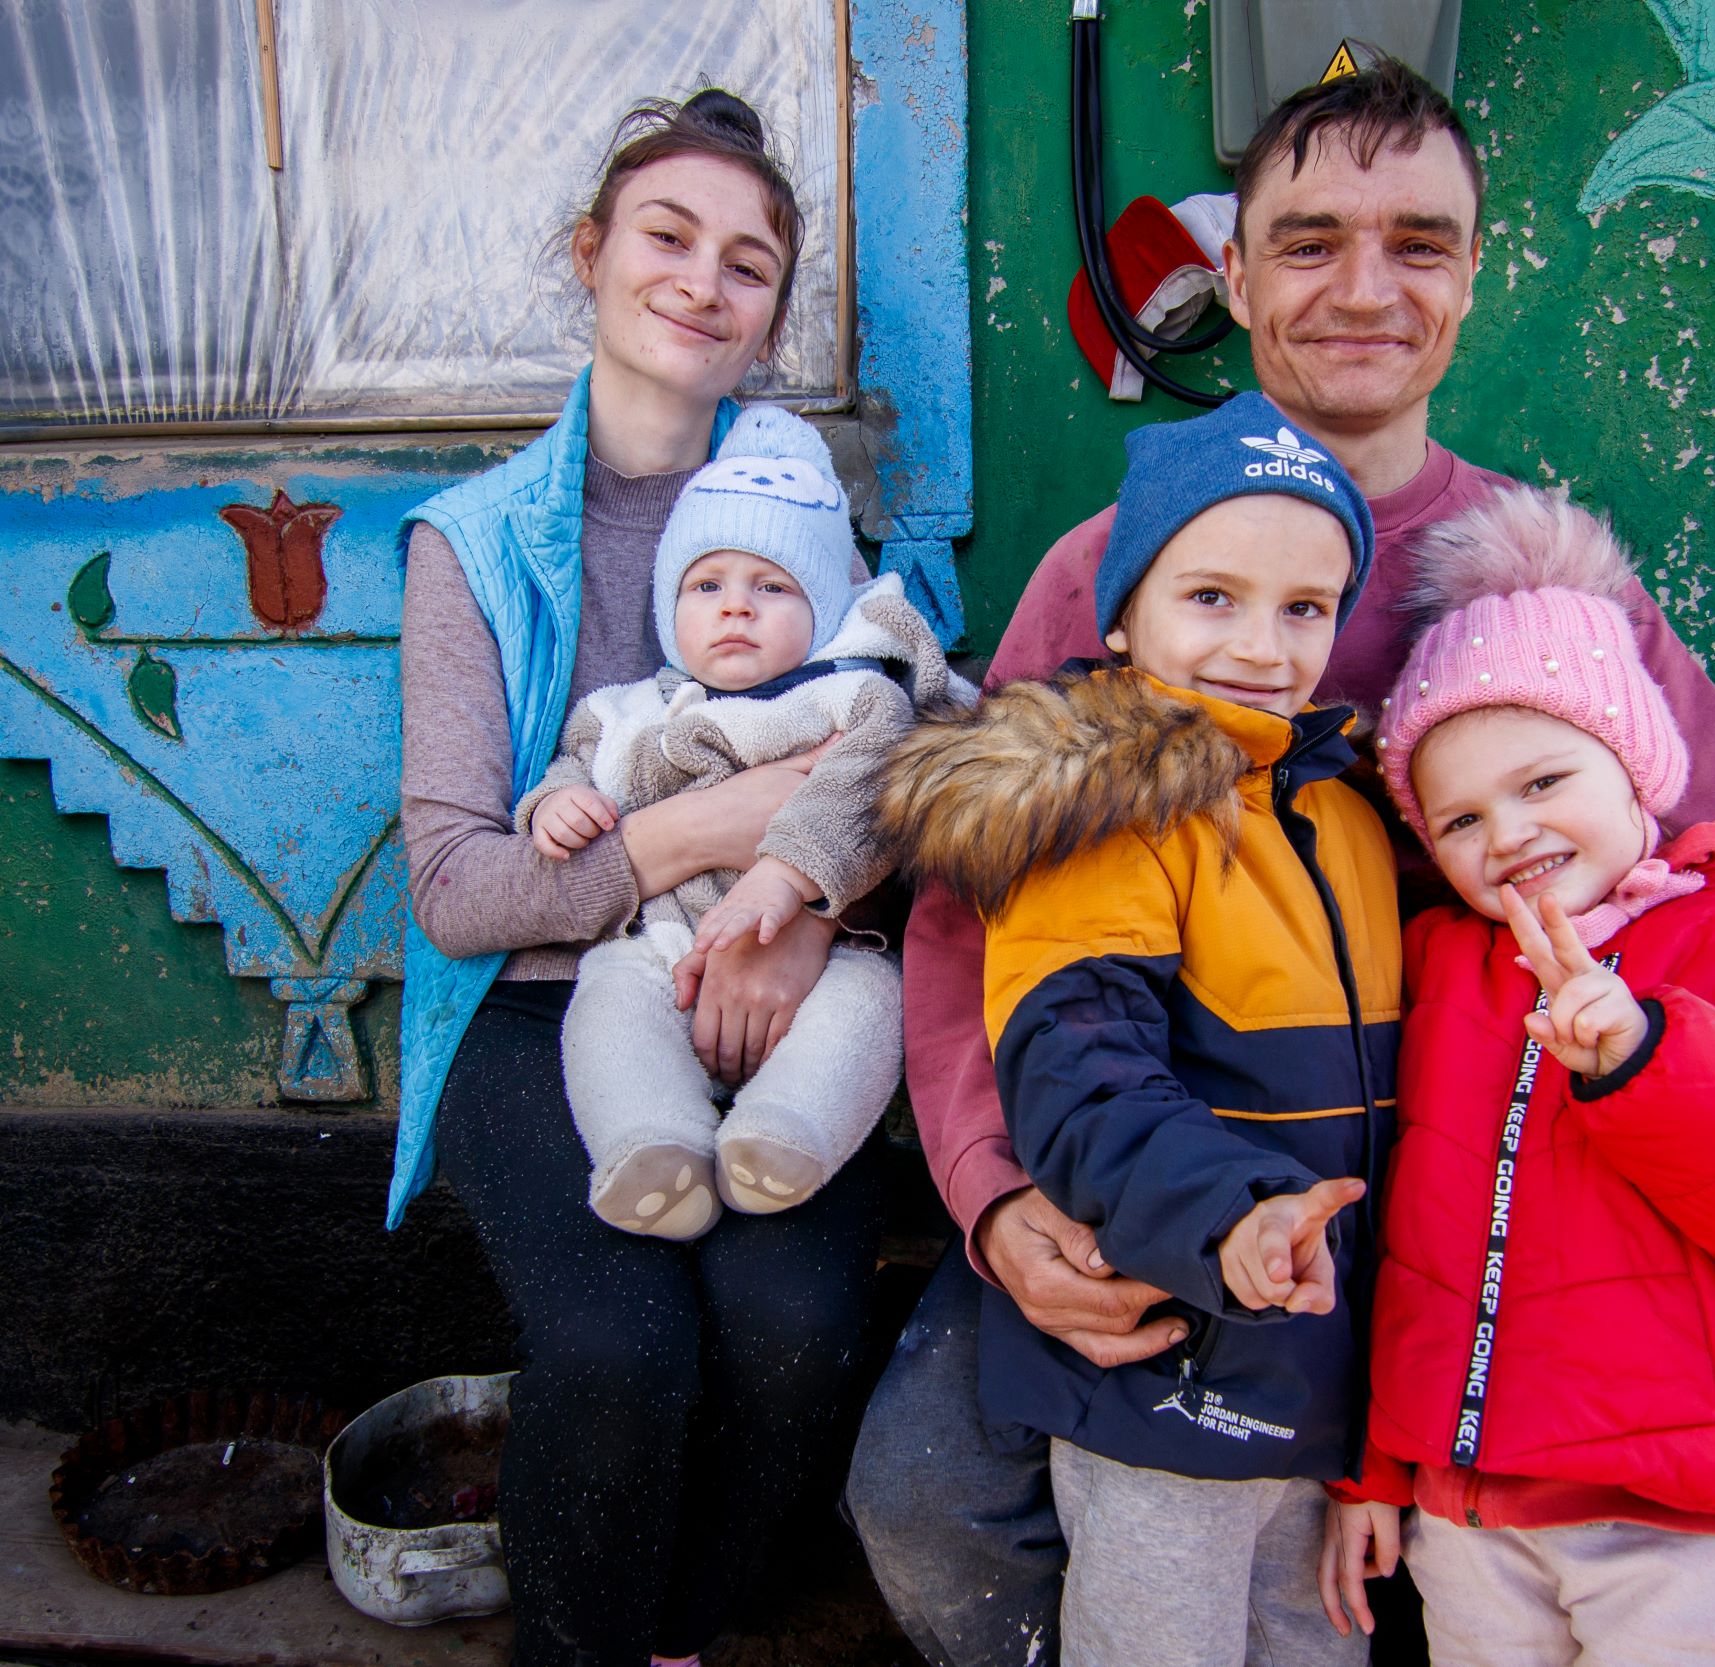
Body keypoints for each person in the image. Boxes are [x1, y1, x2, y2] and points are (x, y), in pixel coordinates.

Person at [847, 59, 1715, 1667]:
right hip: (1142, 1133)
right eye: (1310, 239)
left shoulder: (1533, 576)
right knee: (928, 1494)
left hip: (1472, 1165)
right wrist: (996, 1194)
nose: (1365, 286)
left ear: (1474, 276)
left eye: (1419, 240)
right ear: (1238, 274)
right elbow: (964, 909)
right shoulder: (1119, 565)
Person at [395, 91, 882, 1665]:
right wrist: (698, 830)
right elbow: (461, 889)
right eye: (667, 237)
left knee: (798, 1326)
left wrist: (801, 915)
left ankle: (700, 1623)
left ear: (771, 318)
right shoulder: (472, 546)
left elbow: (913, 776)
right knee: (618, 1343)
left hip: (785, 982)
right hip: (544, 1008)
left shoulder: (815, 509)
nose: (702, 281)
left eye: (749, 262)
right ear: (593, 255)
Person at [1318, 485, 1715, 1666]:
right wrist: (1380, 1464)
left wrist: (1653, 1062)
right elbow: (1413, 1245)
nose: (1504, 834)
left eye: (1543, 781)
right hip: (1475, 1512)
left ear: (1634, 768)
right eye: (1456, 819)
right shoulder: (1441, 970)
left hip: (1705, 1513)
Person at [878, 391, 1391, 1667]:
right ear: (1120, 619)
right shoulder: (1104, 817)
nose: (1262, 646)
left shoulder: (1349, 822)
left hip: (1319, 1371)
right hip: (1168, 1369)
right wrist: (1232, 1214)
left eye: (1304, 607)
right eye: (1210, 597)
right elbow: (1074, 1076)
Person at [517, 404, 970, 1238]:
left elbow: (873, 783)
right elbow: (579, 764)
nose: (736, 608)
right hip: (668, 946)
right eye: (706, 586)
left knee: (869, 1003)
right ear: (669, 608)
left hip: (820, 948)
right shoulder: (633, 710)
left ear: (826, 607)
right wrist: (554, 804)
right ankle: (653, 1145)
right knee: (608, 994)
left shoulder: (851, 692)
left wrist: (785, 874)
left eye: (772, 586)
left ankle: (785, 1135)